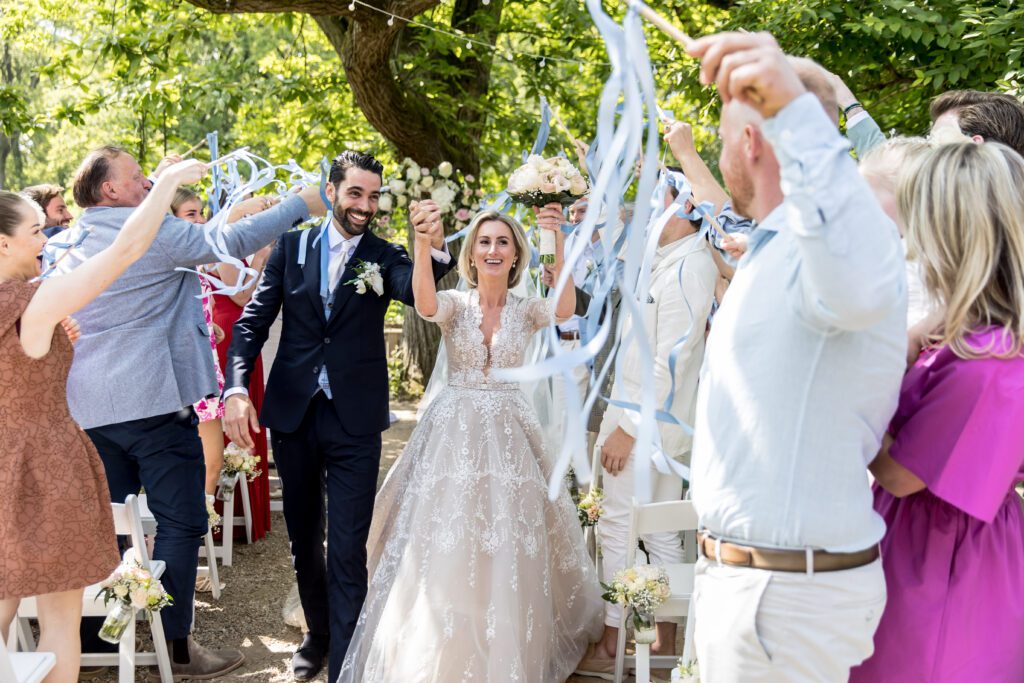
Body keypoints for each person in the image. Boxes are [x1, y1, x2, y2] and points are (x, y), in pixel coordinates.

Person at [52, 145, 326, 680]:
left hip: (86, 407)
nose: (149, 181)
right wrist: (301, 203)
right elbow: (230, 241)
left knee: (108, 524)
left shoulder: (66, 240)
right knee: (181, 521)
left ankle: (95, 637)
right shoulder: (147, 231)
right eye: (137, 177)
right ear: (110, 190)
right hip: (153, 402)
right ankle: (177, 647)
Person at [686, 33, 907, 681]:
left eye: (725, 134)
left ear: (749, 142)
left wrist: (795, 105)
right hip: (755, 593)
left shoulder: (846, 246)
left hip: (786, 603)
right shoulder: (778, 246)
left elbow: (859, 279)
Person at [338, 207, 603, 681]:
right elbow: (424, 305)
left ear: (517, 253)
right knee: (447, 537)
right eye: (484, 242)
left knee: (506, 539)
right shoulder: (456, 304)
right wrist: (422, 245)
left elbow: (564, 308)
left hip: (510, 435)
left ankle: (502, 646)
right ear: (471, 254)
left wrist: (557, 239)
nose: (493, 250)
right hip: (453, 434)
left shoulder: (525, 310)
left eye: (503, 242)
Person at [223, 151, 455, 682]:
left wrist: (432, 245)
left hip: (355, 420)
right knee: (304, 537)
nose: (365, 206)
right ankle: (318, 634)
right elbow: (251, 324)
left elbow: (415, 290)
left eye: (374, 197)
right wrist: (236, 388)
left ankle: (347, 663)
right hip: (294, 414)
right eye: (356, 194)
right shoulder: (290, 246)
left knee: (348, 546)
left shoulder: (385, 254)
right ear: (331, 191)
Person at [0, 159, 206, 683]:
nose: (47, 241)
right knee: (59, 624)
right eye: (35, 232)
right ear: (3, 244)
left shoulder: (35, 311)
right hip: (46, 472)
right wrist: (164, 185)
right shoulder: (32, 303)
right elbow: (125, 251)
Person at [850, 142, 1024, 682]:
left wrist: (857, 399)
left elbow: (900, 474)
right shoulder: (969, 336)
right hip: (924, 552)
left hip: (941, 572)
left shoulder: (989, 363)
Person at [577, 176, 719, 677]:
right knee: (658, 534)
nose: (645, 208)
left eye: (656, 198)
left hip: (647, 430)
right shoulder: (669, 259)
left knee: (620, 528)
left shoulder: (690, 267)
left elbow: (670, 364)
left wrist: (629, 428)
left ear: (684, 208)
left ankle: (615, 639)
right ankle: (666, 640)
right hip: (646, 425)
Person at [170, 187, 226, 502]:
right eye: (191, 214)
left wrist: (209, 327)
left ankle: (190, 538)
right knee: (208, 464)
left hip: (205, 368)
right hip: (186, 376)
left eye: (200, 212)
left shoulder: (195, 260)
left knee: (210, 465)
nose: (201, 219)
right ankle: (182, 542)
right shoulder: (173, 262)